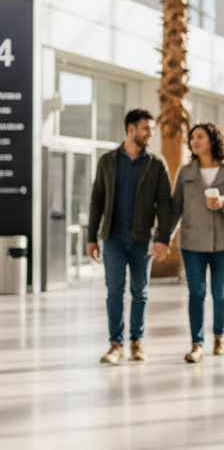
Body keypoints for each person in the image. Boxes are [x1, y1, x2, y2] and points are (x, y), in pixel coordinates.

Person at [87, 109, 172, 364]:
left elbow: (165, 204)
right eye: (146, 128)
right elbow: (96, 200)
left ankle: (136, 342)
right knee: (114, 292)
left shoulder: (156, 164)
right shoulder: (108, 161)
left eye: (152, 129)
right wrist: (92, 236)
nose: (150, 134)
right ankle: (115, 344)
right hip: (112, 238)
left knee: (140, 292)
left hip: (142, 239)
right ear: (131, 129)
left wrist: (162, 239)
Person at [170, 123, 224, 363]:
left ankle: (219, 338)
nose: (194, 141)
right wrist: (163, 239)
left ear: (212, 141)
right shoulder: (186, 172)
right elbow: (175, 208)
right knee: (196, 293)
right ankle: (197, 344)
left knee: (220, 292)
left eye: (200, 137)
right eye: (192, 137)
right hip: (192, 242)